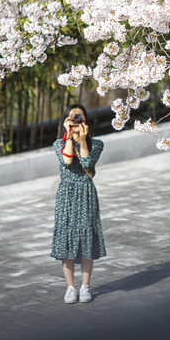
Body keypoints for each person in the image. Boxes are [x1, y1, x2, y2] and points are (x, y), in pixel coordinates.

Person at [51, 104, 106, 304]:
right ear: (65, 121)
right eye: (72, 117)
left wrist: (82, 139)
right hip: (66, 194)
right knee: (66, 240)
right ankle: (70, 287)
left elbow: (86, 163)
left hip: (86, 193)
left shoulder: (97, 144)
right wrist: (69, 136)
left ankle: (85, 286)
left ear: (86, 121)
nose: (75, 120)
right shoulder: (58, 143)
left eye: (79, 116)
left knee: (86, 239)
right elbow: (67, 161)